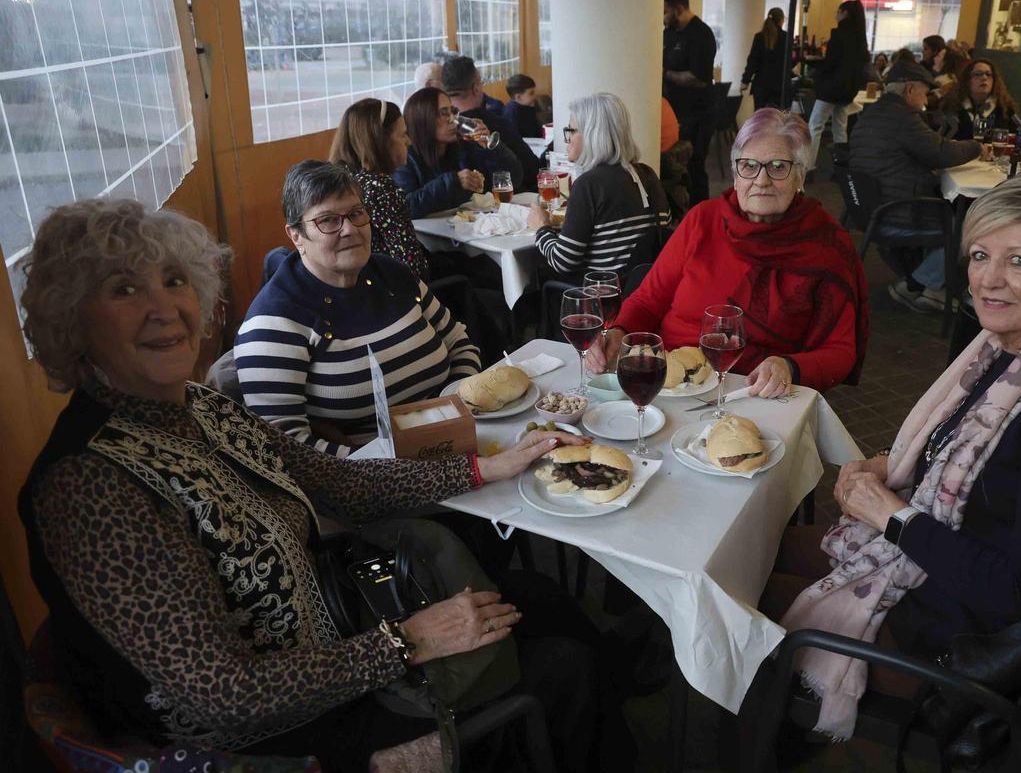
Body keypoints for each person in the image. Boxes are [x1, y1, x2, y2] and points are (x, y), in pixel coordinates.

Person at [17, 197, 621, 772]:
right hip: (274, 731)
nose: (163, 308)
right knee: (561, 668)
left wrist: (487, 467)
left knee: (543, 602)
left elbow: (342, 485)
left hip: (337, 624)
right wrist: (406, 641)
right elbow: (224, 694)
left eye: (174, 280)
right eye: (124, 290)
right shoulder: (89, 485)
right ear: (74, 319)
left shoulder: (201, 407)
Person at [761, 170, 1021, 739]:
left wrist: (889, 514)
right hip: (940, 577)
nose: (988, 281)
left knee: (738, 602)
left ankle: (764, 733)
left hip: (972, 645)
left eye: (1019, 261)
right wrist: (891, 467)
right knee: (755, 550)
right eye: (979, 255)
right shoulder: (1015, 353)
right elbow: (976, 469)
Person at [586, 108, 869, 394]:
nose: (761, 180)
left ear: (800, 176)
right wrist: (619, 332)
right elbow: (649, 301)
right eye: (749, 165)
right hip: (668, 384)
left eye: (778, 166)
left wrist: (789, 366)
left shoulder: (825, 245)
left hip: (753, 391)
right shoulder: (703, 219)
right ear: (735, 175)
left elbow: (841, 351)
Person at [237, 161, 481, 458]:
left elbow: (459, 343)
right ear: (296, 235)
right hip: (365, 480)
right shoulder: (274, 323)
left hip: (453, 444)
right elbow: (285, 447)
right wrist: (390, 465)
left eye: (355, 213)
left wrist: (459, 408)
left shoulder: (393, 275)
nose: (350, 229)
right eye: (327, 220)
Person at [850, 60, 989, 313]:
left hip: (872, 207)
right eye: (924, 92)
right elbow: (941, 152)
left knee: (951, 207)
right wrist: (976, 146)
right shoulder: (902, 117)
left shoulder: (874, 113)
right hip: (897, 210)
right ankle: (917, 284)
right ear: (909, 90)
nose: (925, 98)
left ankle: (927, 286)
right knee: (967, 226)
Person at [526, 93, 670, 278]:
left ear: (593, 135)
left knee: (530, 290)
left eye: (571, 130)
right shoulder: (647, 174)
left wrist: (541, 228)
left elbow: (563, 262)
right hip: (643, 289)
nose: (566, 139)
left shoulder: (589, 185)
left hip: (601, 294)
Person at [327, 97, 431, 282]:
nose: (408, 141)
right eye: (402, 135)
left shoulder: (339, 183)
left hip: (355, 291)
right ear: (380, 140)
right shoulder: (381, 189)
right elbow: (413, 267)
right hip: (393, 296)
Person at [393, 86, 519, 218]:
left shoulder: (463, 145)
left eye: (453, 112)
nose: (453, 119)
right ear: (422, 119)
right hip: (428, 235)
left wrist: (490, 148)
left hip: (467, 228)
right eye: (444, 113)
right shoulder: (406, 156)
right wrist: (453, 182)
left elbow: (513, 179)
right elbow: (404, 207)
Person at [442, 55, 540, 192]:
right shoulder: (495, 124)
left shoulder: (438, 129)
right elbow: (532, 170)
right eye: (481, 82)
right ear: (476, 88)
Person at [662, 0, 717, 206]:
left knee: (694, 168)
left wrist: (664, 73)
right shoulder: (670, 34)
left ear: (678, 8)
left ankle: (701, 214)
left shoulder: (701, 34)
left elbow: (698, 79)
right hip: (674, 113)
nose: (663, 17)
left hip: (698, 114)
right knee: (674, 171)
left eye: (665, 11)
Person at [806, 0, 870, 172]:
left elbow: (831, 63)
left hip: (831, 89)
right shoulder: (860, 37)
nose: (836, 15)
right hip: (848, 90)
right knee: (840, 126)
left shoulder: (839, 34)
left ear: (845, 14)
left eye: (838, 12)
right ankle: (841, 165)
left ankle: (808, 165)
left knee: (815, 125)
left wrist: (814, 65)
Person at [939, 58, 1017, 140]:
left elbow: (1016, 135)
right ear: (967, 80)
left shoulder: (1004, 109)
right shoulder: (953, 106)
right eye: (978, 74)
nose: (984, 78)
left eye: (988, 74)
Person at [740, 7, 788, 110]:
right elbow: (790, 61)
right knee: (779, 118)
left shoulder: (759, 37)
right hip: (780, 86)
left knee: (760, 119)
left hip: (761, 86)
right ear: (781, 21)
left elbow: (753, 61)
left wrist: (745, 80)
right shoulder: (786, 37)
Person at [503, 73, 544, 138]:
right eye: (531, 93)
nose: (535, 96)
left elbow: (537, 131)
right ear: (518, 97)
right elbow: (514, 138)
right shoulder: (511, 111)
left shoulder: (529, 105)